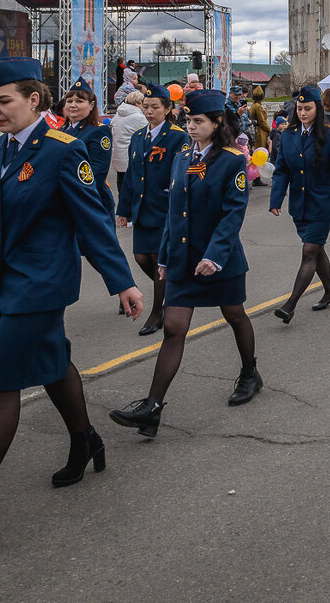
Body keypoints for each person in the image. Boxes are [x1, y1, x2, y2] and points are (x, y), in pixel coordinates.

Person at [0, 57, 143, 561]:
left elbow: (92, 220)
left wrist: (121, 281)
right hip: (5, 286)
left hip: (41, 287)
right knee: (53, 364)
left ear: (34, 100)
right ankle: (87, 440)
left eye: (4, 101)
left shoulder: (63, 150)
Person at [109, 89, 262, 437]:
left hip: (218, 260)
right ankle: (153, 407)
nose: (190, 127)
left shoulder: (231, 160)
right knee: (174, 328)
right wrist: (164, 257)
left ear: (217, 122)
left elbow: (232, 215)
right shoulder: (182, 157)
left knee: (234, 315)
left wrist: (215, 256)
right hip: (182, 258)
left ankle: (250, 373)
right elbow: (173, 214)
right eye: (188, 121)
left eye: (198, 121)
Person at [269, 85, 330, 323]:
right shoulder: (288, 135)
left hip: (323, 204)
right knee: (317, 250)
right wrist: (276, 199)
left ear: (317, 108)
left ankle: (290, 305)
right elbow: (281, 170)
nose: (303, 113)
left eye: (308, 108)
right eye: (300, 108)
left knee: (309, 251)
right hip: (299, 204)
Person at [116, 83, 186, 335]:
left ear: (167, 109)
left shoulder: (178, 136)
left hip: (165, 208)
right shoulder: (138, 137)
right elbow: (131, 176)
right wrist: (123, 209)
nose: (149, 112)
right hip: (142, 208)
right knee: (141, 257)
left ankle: (158, 312)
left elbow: (182, 174)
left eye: (155, 107)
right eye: (145, 107)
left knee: (158, 262)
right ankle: (170, 289)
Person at [61, 78, 116, 221]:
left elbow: (98, 171)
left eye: (79, 101)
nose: (73, 105)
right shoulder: (61, 129)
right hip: (65, 200)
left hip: (90, 200)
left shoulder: (99, 130)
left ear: (91, 105)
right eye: (69, 101)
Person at [110, 89, 147, 199]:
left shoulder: (117, 115)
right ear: (137, 103)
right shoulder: (139, 117)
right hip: (130, 157)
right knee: (132, 191)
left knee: (121, 186)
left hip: (117, 156)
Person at [249, 86, 270, 152]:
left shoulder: (254, 105)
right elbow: (262, 121)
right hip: (260, 132)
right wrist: (269, 130)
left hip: (257, 130)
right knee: (261, 150)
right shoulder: (258, 107)